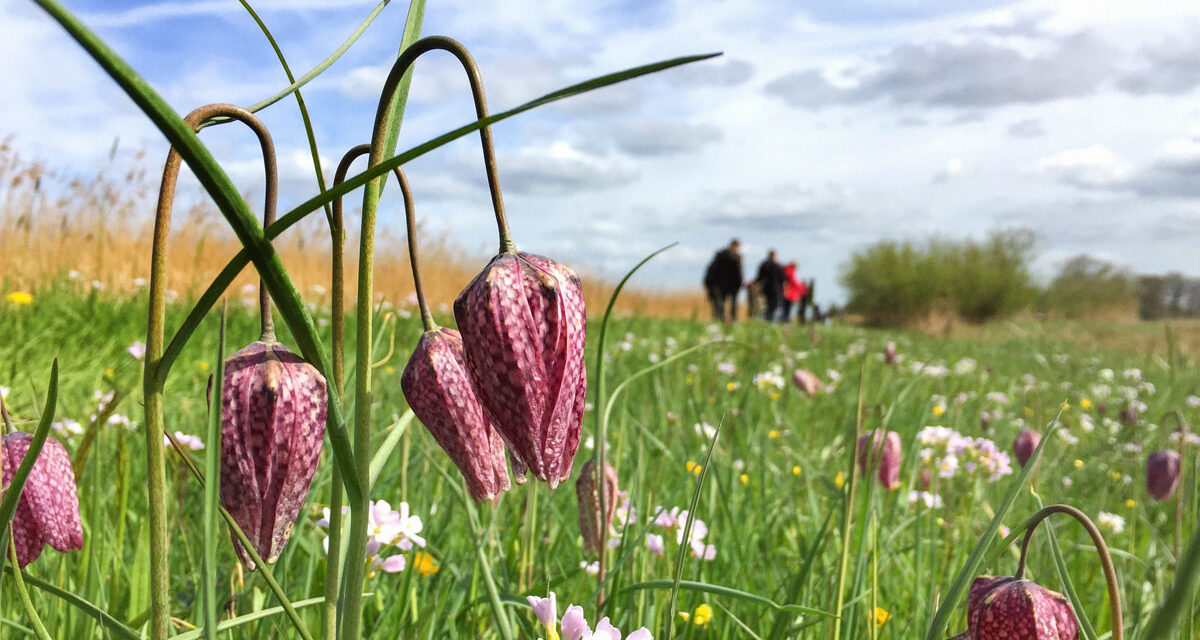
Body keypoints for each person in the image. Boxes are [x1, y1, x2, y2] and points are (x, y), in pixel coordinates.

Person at [703, 239, 743, 323]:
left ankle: (721, 319)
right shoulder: (736, 257)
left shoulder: (720, 256)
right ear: (736, 245)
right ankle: (733, 320)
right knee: (733, 304)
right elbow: (739, 272)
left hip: (721, 284)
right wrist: (740, 283)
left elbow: (713, 271)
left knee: (721, 303)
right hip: (733, 285)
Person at [753, 250, 785, 321]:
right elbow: (782, 279)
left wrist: (755, 284)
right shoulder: (778, 265)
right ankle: (770, 319)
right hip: (776, 289)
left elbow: (759, 277)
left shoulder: (764, 264)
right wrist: (783, 289)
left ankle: (768, 318)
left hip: (766, 288)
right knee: (774, 305)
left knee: (768, 304)